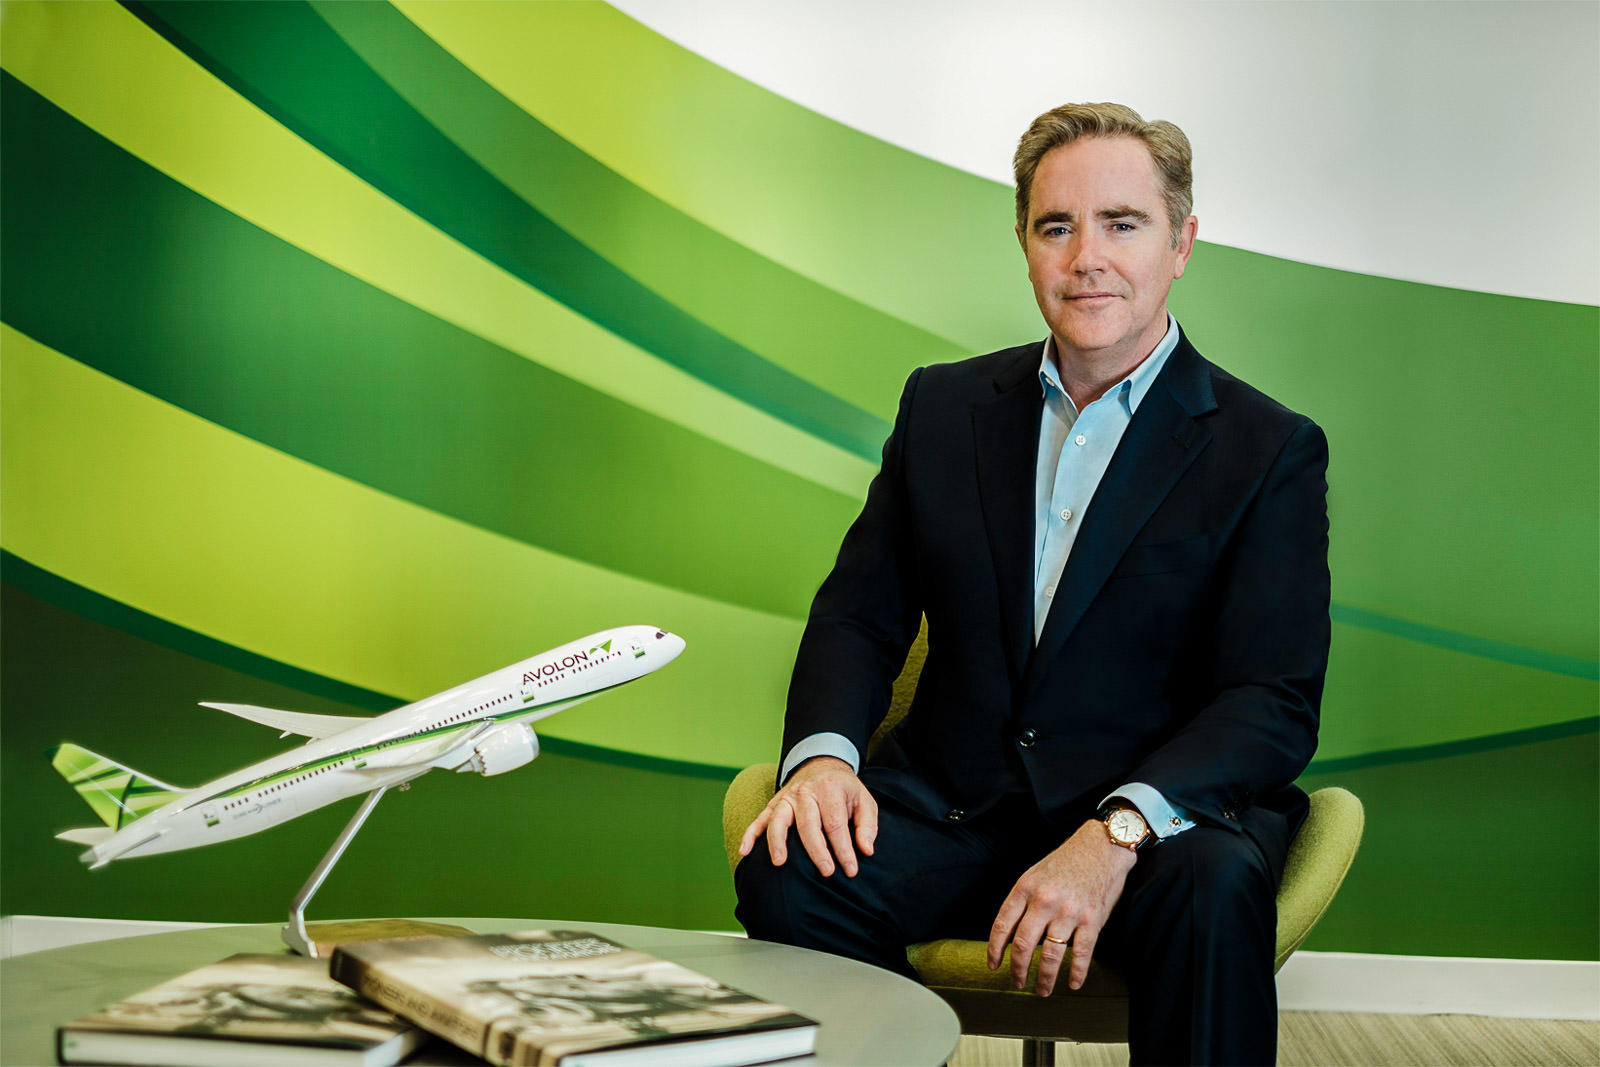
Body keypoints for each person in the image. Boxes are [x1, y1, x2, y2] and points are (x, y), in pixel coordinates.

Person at [732, 102, 1329, 1066]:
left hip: (1160, 832)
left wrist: (1115, 831)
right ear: (1024, 242)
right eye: (1058, 225)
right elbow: (858, 613)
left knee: (1215, 885)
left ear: (1181, 242)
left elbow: (1270, 698)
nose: (1086, 255)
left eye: (1122, 224)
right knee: (795, 868)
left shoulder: (1268, 448)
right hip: (961, 808)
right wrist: (824, 759)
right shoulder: (943, 405)